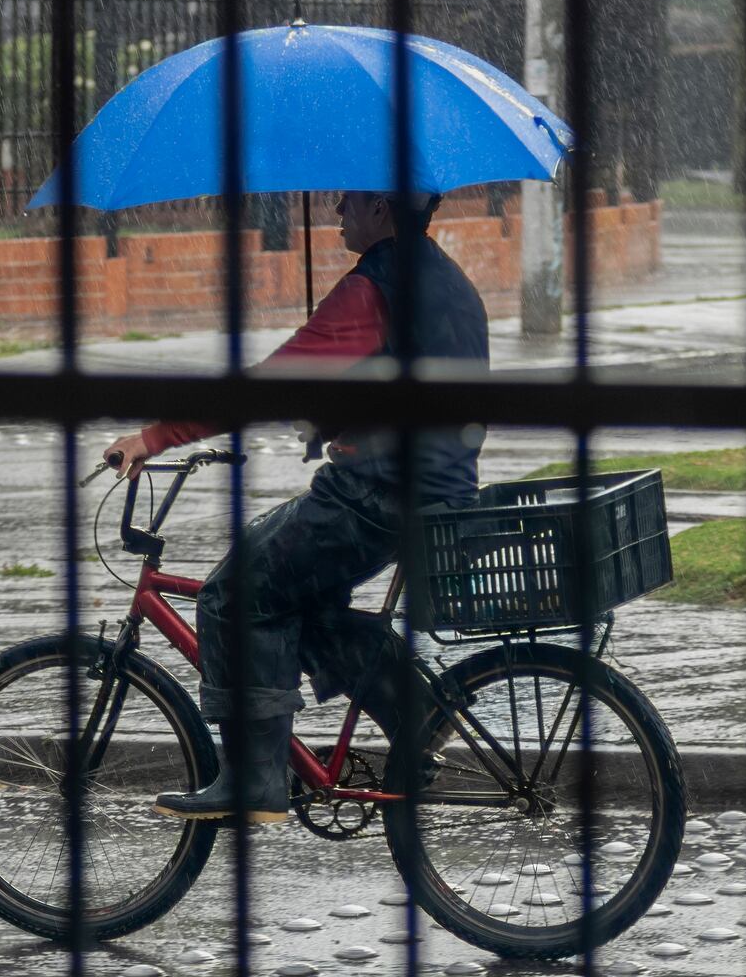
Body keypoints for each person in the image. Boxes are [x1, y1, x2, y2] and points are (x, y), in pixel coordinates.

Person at [101, 189, 489, 823]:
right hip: (432, 487)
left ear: (384, 208)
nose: (336, 212)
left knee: (233, 593)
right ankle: (417, 715)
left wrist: (154, 436)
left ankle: (253, 780)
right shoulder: (446, 280)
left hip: (375, 493)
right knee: (295, 603)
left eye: (349, 201)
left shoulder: (373, 288)